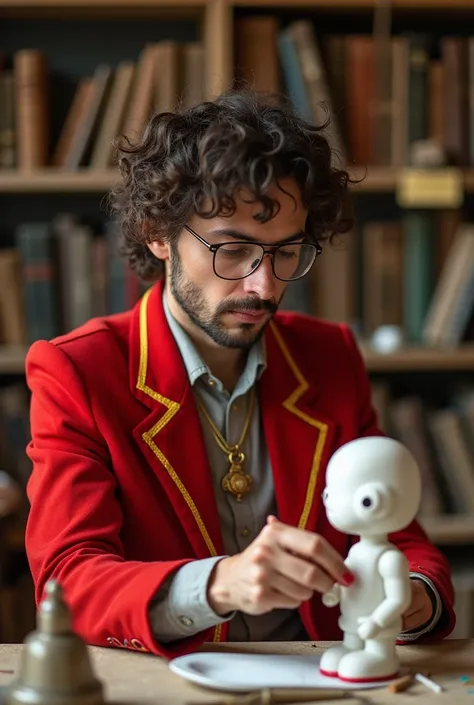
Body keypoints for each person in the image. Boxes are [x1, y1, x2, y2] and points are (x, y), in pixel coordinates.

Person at [24, 90, 455, 658]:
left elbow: (397, 533)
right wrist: (217, 584)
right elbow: (67, 583)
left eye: (286, 253)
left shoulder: (330, 355)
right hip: (170, 684)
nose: (264, 285)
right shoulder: (78, 371)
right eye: (232, 249)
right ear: (159, 233)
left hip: (323, 679)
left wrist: (412, 597)